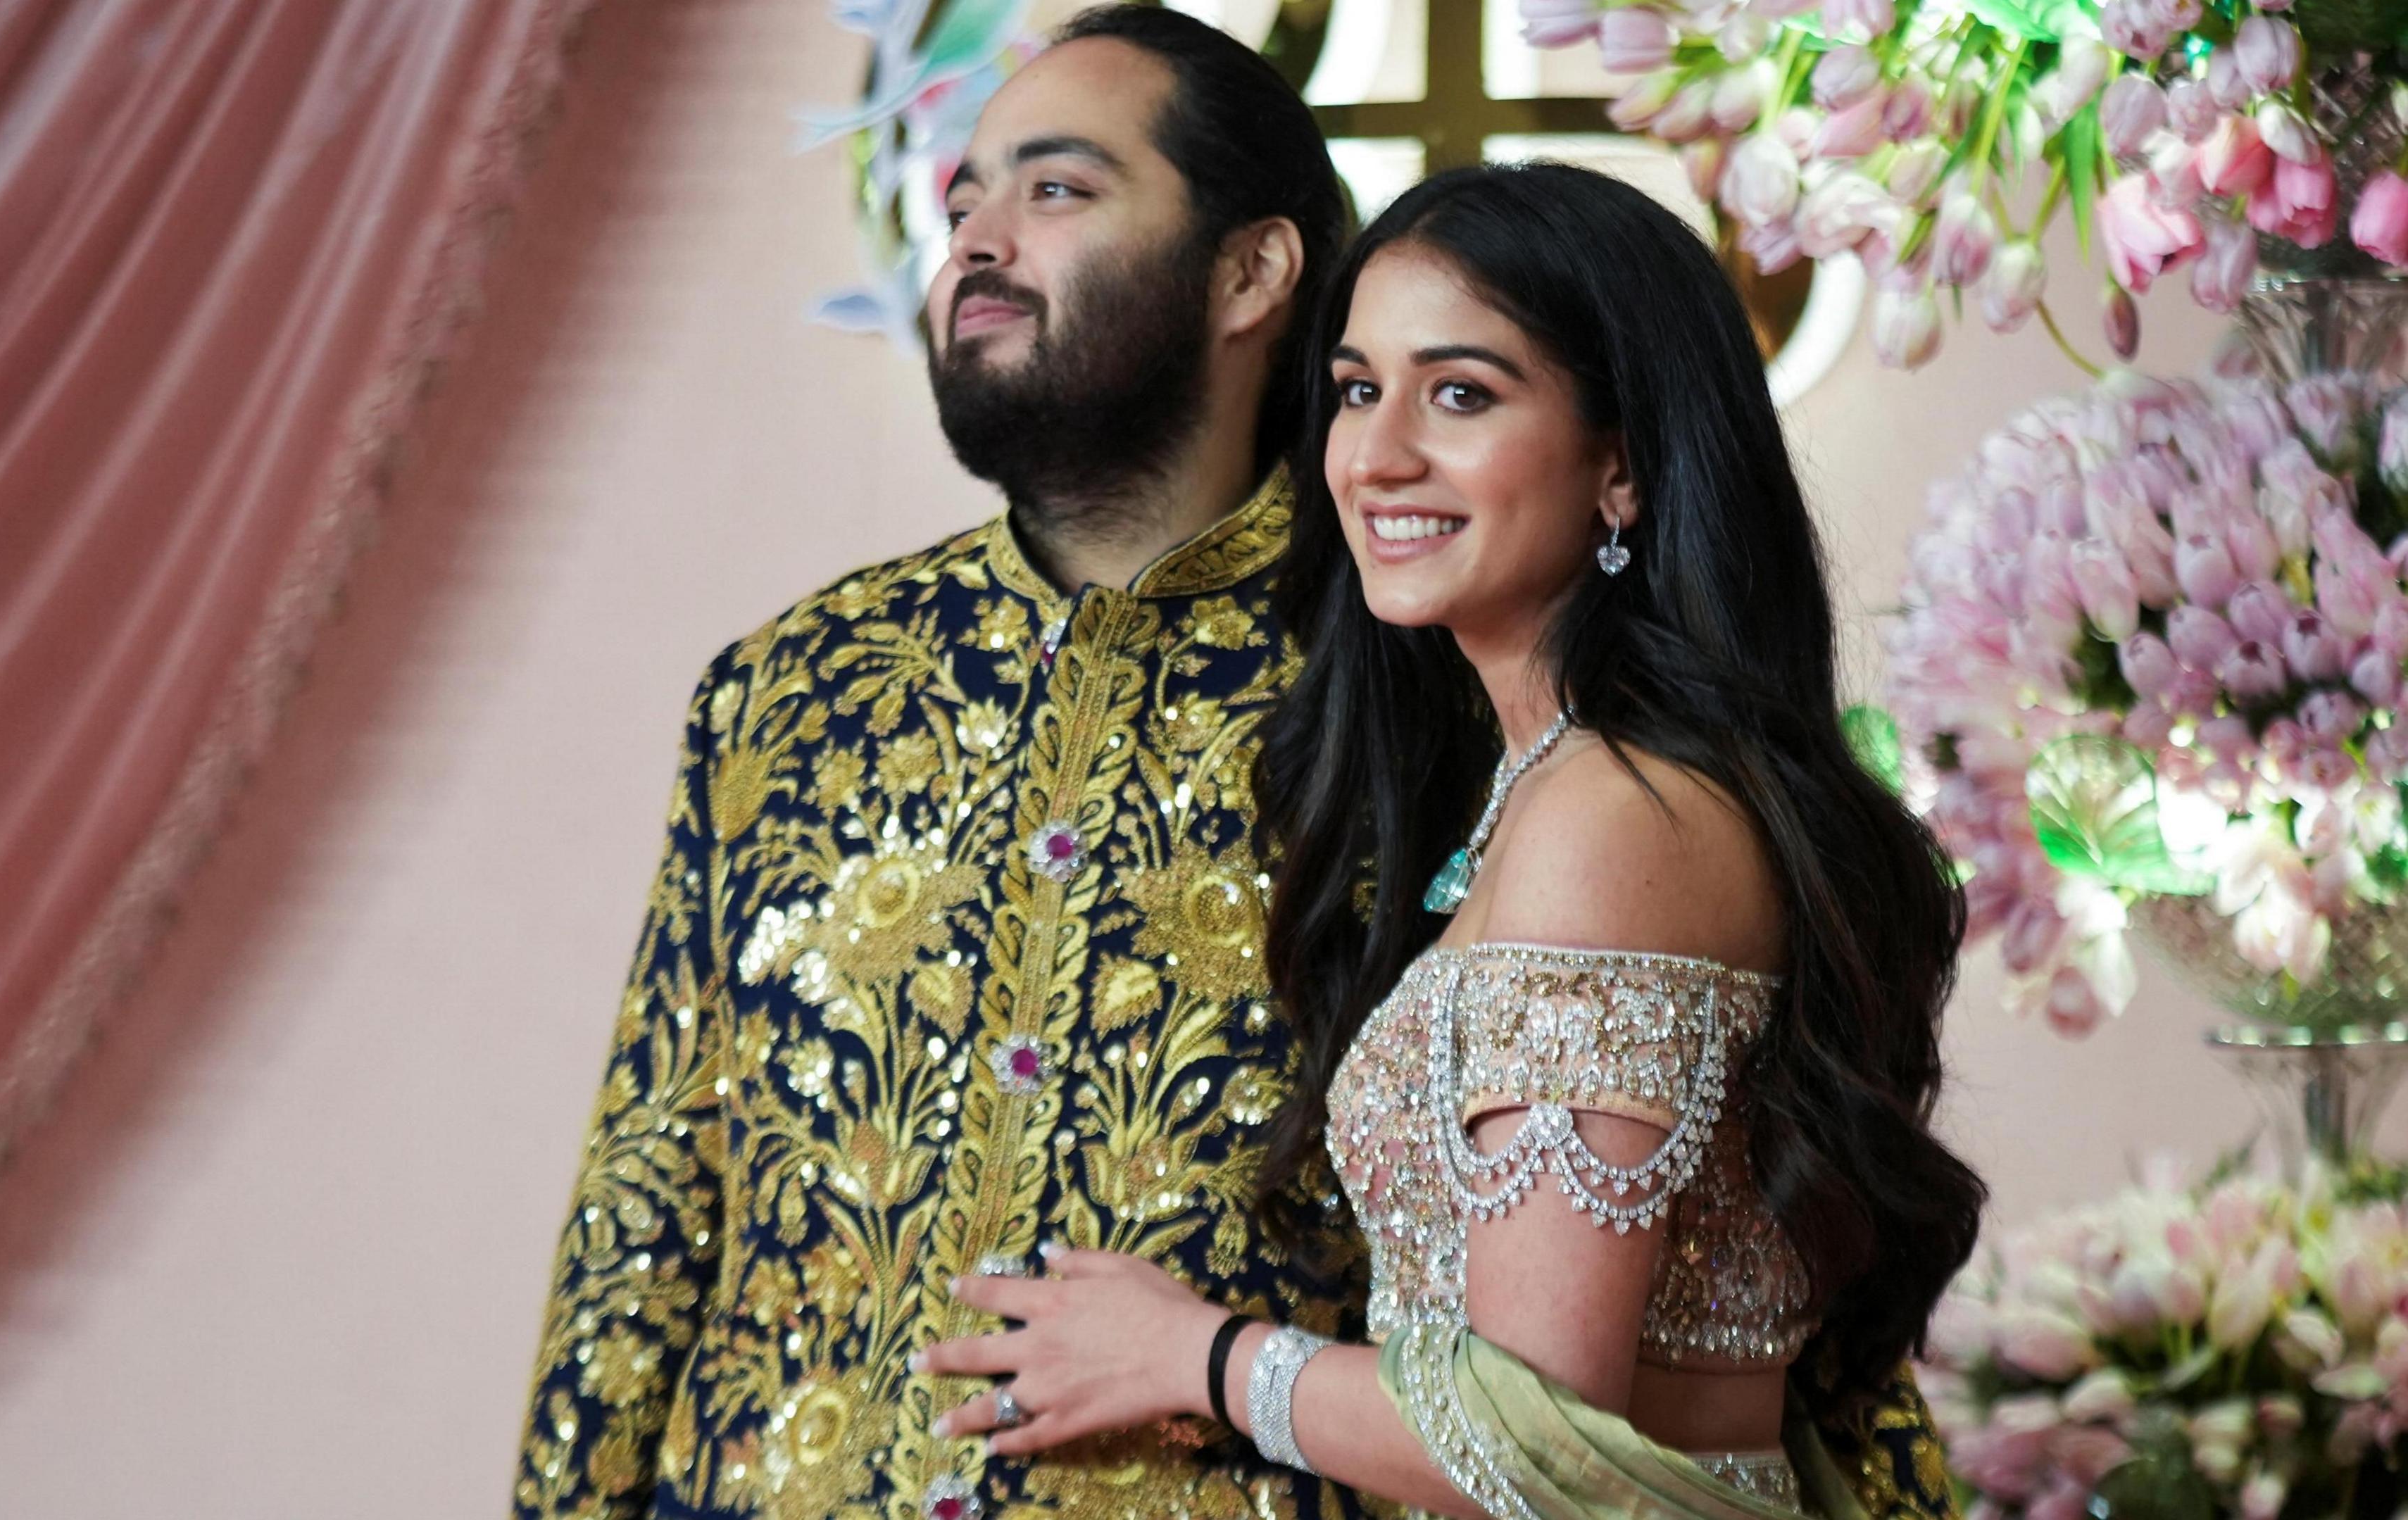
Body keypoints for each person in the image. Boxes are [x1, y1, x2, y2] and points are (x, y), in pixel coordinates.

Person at [515, 8, 1966, 1515]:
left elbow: (1709, 1255)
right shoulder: (790, 697)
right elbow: (648, 1218)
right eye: (963, 204)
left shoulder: (1433, 687)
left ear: (1253, 270)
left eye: (1057, 190)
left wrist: (1211, 1365)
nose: (982, 238)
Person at [911, 162, 1987, 1519]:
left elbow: (1536, 1430)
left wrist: (1198, 1356)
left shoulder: (1615, 810)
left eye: (1462, 393)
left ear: (1624, 464)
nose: (1377, 454)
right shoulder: (1572, 783)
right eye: (1359, 389)